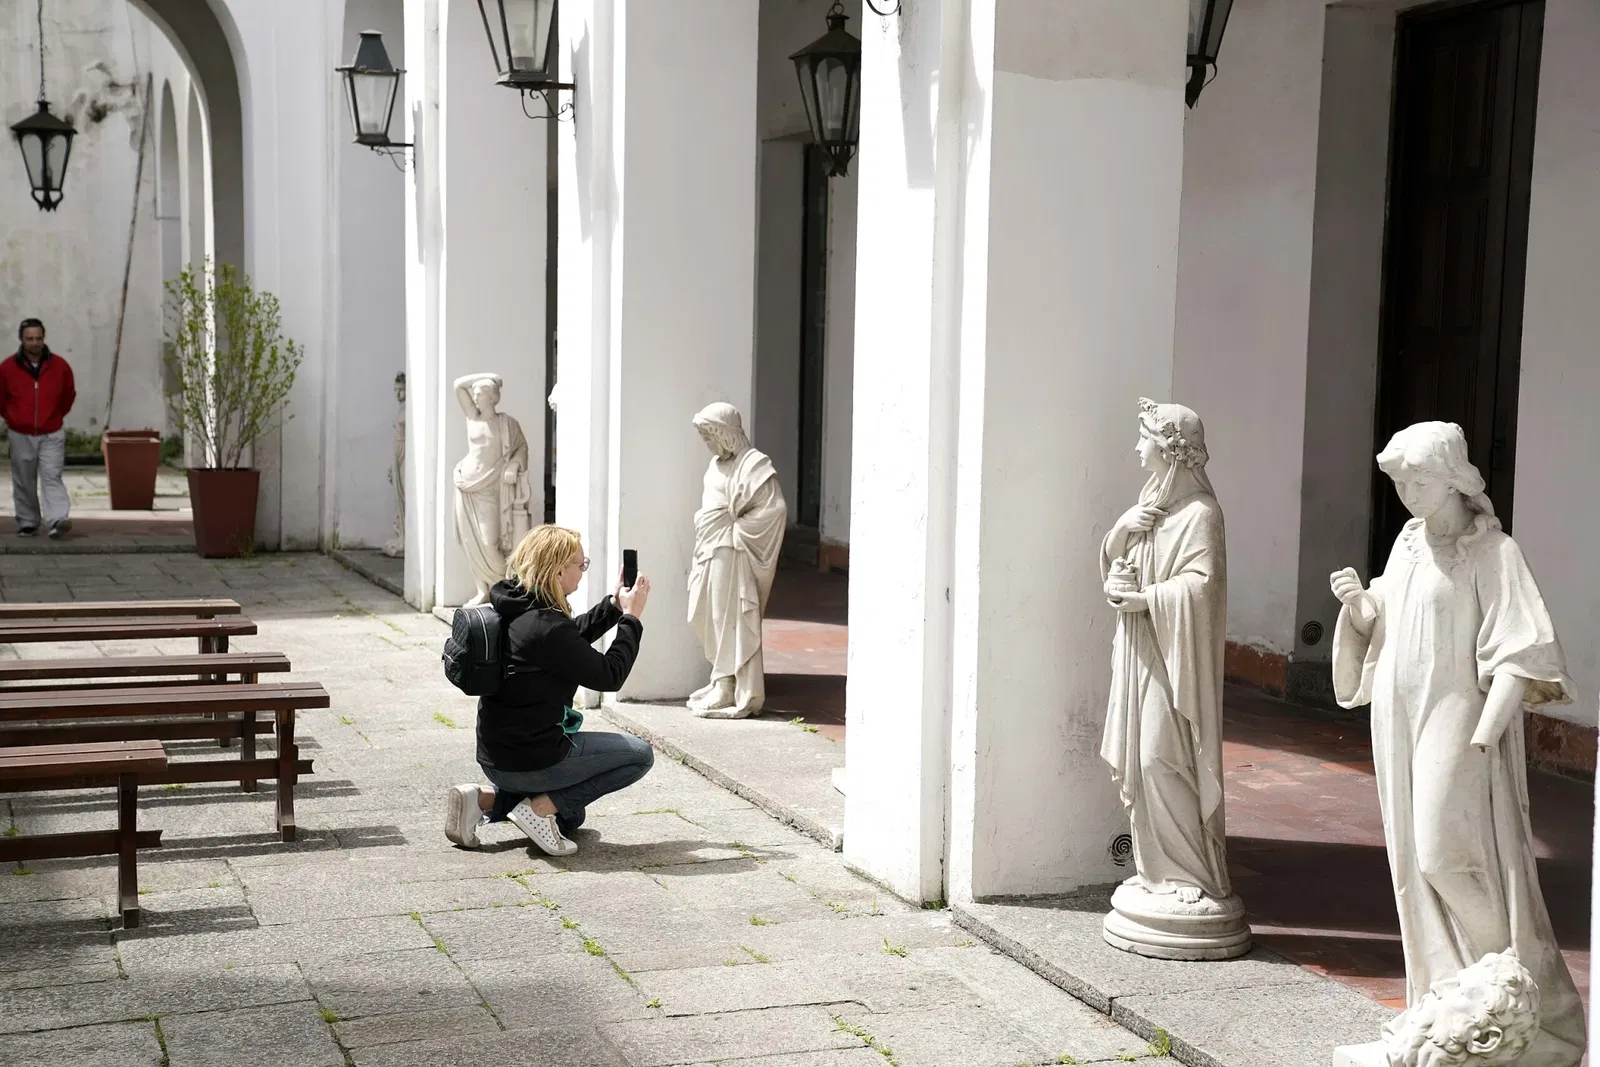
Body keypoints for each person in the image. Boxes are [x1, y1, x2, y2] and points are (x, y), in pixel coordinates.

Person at [1330, 421, 1584, 1066]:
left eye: (1420, 481)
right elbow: (1389, 622)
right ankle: (1441, 1003)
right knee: (1416, 860)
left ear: (1455, 479)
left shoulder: (1494, 553)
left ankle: (1508, 988)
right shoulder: (1410, 542)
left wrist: (1483, 739)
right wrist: (1361, 608)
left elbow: (1522, 652)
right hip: (1399, 711)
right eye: (1400, 483)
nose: (1409, 494)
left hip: (1457, 716)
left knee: (1447, 854)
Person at [445, 524, 655, 856]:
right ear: (559, 570)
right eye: (580, 565)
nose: (582, 572)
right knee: (639, 755)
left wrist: (614, 605)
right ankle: (539, 809)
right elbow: (609, 675)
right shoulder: (546, 627)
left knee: (573, 815)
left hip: (497, 755)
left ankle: (484, 799)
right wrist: (632, 618)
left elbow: (570, 636)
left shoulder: (517, 605)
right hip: (531, 759)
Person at [1100, 399, 1231, 907]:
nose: (1136, 448)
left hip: (1174, 657)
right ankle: (1155, 869)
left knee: (1161, 757)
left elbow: (1203, 588)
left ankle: (1192, 875)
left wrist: (1145, 599)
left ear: (1169, 449)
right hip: (1140, 648)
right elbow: (1122, 562)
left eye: (1144, 439)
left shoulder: (1202, 514)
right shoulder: (1150, 503)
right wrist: (1120, 536)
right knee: (1140, 753)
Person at [0, 319, 75, 538]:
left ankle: (58, 518)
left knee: (52, 475)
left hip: (51, 432)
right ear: (21, 340)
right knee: (24, 479)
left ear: (44, 338)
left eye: (39, 338)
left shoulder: (60, 366)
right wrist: (14, 418)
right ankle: (28, 522)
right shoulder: (7, 368)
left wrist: (55, 416)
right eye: (30, 339)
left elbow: (68, 395)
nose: (35, 343)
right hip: (20, 433)